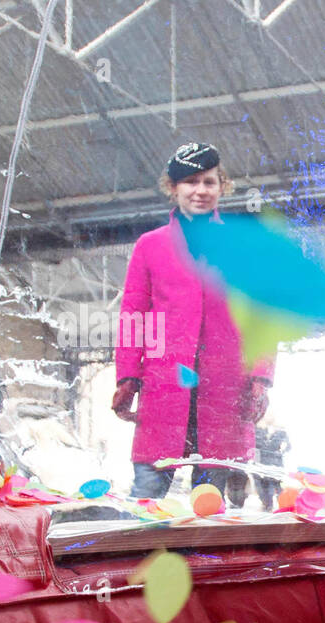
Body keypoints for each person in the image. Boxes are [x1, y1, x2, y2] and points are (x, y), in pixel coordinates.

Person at [113, 142, 275, 500]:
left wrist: (261, 376)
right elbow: (134, 316)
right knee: (146, 499)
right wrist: (128, 375)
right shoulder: (149, 246)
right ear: (173, 188)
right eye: (190, 182)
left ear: (223, 186)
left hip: (225, 390)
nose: (200, 190)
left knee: (209, 506)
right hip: (164, 388)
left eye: (209, 182)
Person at [254, 416, 291, 511]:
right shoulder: (280, 432)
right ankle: (277, 505)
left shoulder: (261, 431)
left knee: (270, 486)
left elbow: (288, 447)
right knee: (272, 486)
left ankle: (270, 506)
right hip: (270, 463)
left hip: (268, 464)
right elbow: (288, 447)